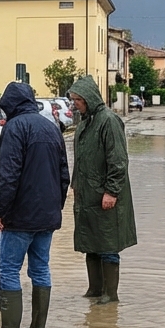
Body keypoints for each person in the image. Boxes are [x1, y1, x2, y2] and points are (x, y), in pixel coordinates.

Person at [0, 81, 70, 328]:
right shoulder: (51, 126)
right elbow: (64, 174)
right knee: (41, 268)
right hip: (47, 216)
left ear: (10, 105)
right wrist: (56, 207)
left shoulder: (14, 127)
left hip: (20, 216)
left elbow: (8, 175)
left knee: (9, 269)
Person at [66, 76, 137, 304]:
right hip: (86, 195)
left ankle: (110, 294)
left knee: (107, 244)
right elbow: (80, 159)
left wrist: (112, 192)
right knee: (90, 242)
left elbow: (118, 161)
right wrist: (75, 185)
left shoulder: (109, 121)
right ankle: (94, 289)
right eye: (73, 99)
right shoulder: (86, 123)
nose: (74, 103)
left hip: (105, 195)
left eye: (77, 99)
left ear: (88, 99)